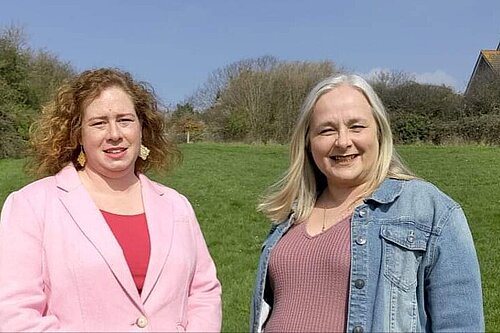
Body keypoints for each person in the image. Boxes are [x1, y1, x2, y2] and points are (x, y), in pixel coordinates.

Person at [250, 74, 484, 332]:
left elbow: (460, 325)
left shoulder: (431, 210)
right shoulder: (290, 216)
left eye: (356, 127)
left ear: (380, 132)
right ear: (308, 141)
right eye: (326, 130)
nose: (342, 141)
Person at [0, 68, 222, 332]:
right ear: (78, 135)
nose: (114, 133)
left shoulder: (177, 205)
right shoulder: (32, 205)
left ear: (142, 128)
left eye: (125, 120)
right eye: (98, 123)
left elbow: (203, 292)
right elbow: (15, 314)